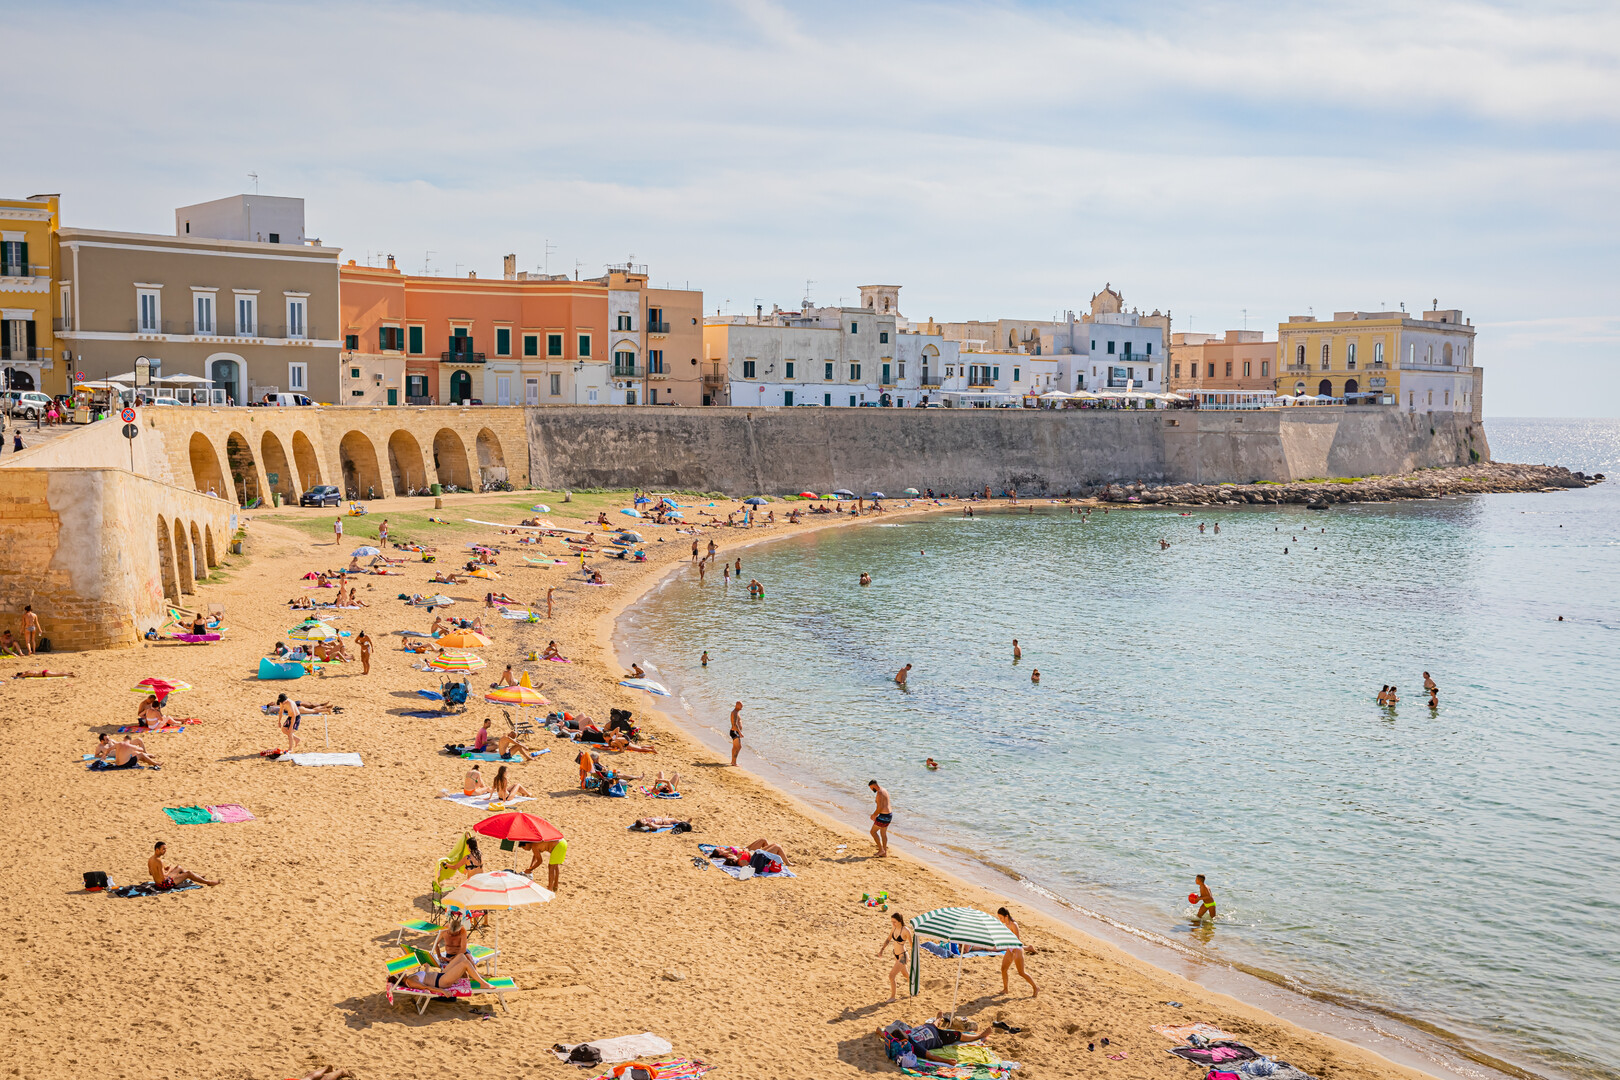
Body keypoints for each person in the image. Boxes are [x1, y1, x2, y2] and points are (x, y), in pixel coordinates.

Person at [995, 907, 1038, 997]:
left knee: (1021, 973)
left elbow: (1017, 940)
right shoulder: (1005, 925)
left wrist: (1014, 952)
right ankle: (1005, 989)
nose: (1000, 919)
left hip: (1017, 949)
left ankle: (1035, 987)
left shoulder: (1014, 925)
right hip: (1010, 949)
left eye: (1001, 917)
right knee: (1003, 969)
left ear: (1006, 916)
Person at [148, 841, 220, 887]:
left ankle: (197, 877)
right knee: (188, 873)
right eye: (163, 849)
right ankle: (208, 882)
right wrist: (169, 870)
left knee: (179, 867)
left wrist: (163, 869)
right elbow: (164, 877)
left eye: (166, 849)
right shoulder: (159, 861)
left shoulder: (150, 859)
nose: (165, 851)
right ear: (157, 850)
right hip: (163, 885)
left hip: (158, 883)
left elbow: (151, 873)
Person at [876, 911, 912, 1001]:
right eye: (892, 922)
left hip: (903, 956)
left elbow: (912, 945)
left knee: (891, 976)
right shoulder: (894, 928)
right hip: (895, 955)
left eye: (894, 922)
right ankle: (914, 988)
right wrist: (882, 950)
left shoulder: (906, 930)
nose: (893, 923)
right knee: (906, 975)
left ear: (900, 921)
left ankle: (892, 997)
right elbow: (888, 939)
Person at [869, 780, 892, 858]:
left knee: (873, 832)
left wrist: (874, 815)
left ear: (874, 785)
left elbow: (880, 807)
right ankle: (884, 852)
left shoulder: (879, 793)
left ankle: (881, 850)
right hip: (889, 815)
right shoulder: (884, 790)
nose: (872, 790)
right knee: (883, 834)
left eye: (871, 788)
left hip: (883, 816)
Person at [726, 701, 743, 766]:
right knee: (738, 747)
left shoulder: (736, 712)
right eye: (741, 705)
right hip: (735, 732)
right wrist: (740, 733)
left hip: (735, 732)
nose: (742, 707)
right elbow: (734, 725)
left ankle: (733, 761)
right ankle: (734, 762)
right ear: (737, 705)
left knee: (735, 747)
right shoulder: (734, 713)